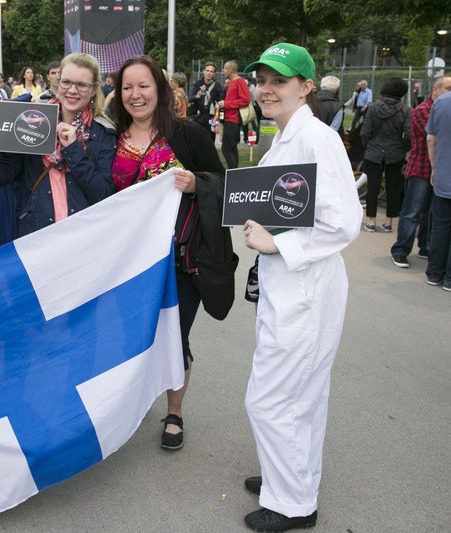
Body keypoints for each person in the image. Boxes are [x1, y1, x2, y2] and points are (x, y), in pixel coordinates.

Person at [238, 43, 361, 532]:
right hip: (288, 285)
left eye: (279, 81)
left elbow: (343, 223)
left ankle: (293, 505)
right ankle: (285, 479)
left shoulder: (316, 140)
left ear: (306, 87)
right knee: (298, 396)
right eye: (261, 80)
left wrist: (274, 246)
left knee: (274, 398)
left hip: (306, 288)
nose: (266, 90)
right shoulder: (286, 135)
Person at [111, 55, 225, 451]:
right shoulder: (112, 137)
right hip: (127, 262)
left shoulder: (188, 135)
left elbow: (224, 183)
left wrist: (196, 184)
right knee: (129, 336)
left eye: (144, 86)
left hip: (179, 259)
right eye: (127, 87)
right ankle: (123, 406)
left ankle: (173, 413)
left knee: (175, 337)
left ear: (159, 89)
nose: (135, 95)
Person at [0, 53, 115, 238]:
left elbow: (104, 194)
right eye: (66, 82)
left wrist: (73, 149)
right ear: (58, 82)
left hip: (85, 235)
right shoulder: (32, 119)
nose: (72, 90)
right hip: (38, 234)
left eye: (82, 85)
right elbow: (1, 175)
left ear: (94, 89)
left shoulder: (103, 132)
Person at [390, 76, 451, 268]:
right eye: (449, 87)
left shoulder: (445, 108)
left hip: (439, 170)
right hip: (421, 168)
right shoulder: (422, 111)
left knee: (431, 213)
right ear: (435, 90)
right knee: (412, 211)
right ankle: (401, 250)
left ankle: (425, 246)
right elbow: (437, 135)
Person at [425, 79, 451, 292]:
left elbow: (431, 138)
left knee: (440, 225)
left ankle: (434, 272)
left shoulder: (442, 101)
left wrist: (434, 168)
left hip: (444, 174)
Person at [361, 77, 411, 233]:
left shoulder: (374, 107)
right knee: (393, 188)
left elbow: (365, 132)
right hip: (395, 152)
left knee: (373, 187)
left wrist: (368, 146)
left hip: (374, 151)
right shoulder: (406, 110)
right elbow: (408, 135)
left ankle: (371, 221)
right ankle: (389, 222)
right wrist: (402, 148)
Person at [218, 60, 250, 169]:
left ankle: (232, 171)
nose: (223, 71)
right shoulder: (232, 82)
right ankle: (234, 171)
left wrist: (226, 104)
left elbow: (246, 99)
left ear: (230, 70)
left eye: (225, 68)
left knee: (226, 148)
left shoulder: (239, 81)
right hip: (228, 119)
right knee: (231, 148)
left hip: (233, 119)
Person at [187, 62, 222, 140]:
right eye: (207, 70)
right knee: (198, 140)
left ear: (214, 74)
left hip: (211, 118)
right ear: (204, 71)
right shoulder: (197, 84)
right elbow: (189, 98)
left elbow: (221, 101)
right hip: (198, 117)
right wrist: (196, 96)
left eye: (211, 71)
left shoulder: (217, 86)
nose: (209, 73)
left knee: (210, 141)